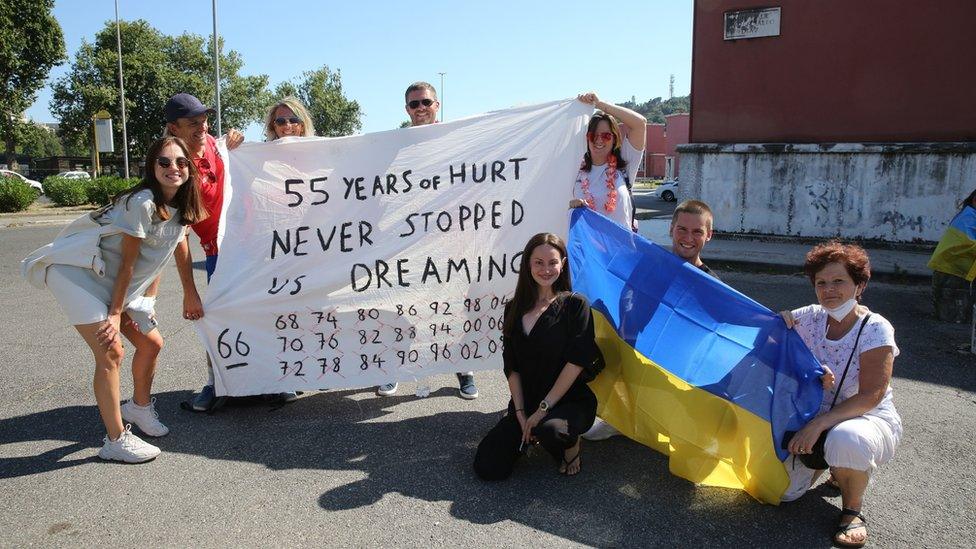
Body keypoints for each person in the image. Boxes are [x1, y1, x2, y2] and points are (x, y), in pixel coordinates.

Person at [21, 137, 208, 462]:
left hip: (115, 284)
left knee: (151, 344)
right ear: (152, 167)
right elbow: (129, 263)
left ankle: (138, 407)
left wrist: (153, 297)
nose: (173, 168)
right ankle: (115, 440)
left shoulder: (182, 204)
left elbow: (166, 252)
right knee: (111, 351)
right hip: (78, 276)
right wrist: (115, 313)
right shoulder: (143, 203)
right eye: (164, 162)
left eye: (180, 162)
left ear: (189, 169)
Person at [161, 93, 296, 409]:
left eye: (204, 119)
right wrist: (189, 292)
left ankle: (267, 380)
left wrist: (236, 141)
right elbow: (176, 235)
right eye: (192, 123)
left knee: (261, 315)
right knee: (220, 317)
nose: (202, 127)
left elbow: (239, 154)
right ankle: (216, 383)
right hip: (218, 253)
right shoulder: (172, 167)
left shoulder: (217, 144)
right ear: (173, 128)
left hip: (256, 245)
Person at [778, 241, 901, 548]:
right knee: (784, 493)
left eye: (839, 281)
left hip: (865, 418)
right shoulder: (809, 316)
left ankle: (852, 510)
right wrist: (777, 322)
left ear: (859, 285)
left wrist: (817, 426)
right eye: (821, 283)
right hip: (815, 414)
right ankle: (834, 465)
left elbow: (872, 394)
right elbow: (770, 345)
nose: (829, 290)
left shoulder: (876, 328)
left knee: (847, 440)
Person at [375, 81, 478, 400]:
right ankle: (393, 369)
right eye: (414, 104)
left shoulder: (456, 140)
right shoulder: (396, 146)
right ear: (406, 109)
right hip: (407, 244)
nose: (420, 109)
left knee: (454, 308)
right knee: (400, 307)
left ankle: (464, 369)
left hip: (450, 241)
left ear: (438, 105)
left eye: (426, 103)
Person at [583, 199, 719, 440]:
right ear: (671, 229)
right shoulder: (650, 261)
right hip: (640, 347)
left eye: (697, 231)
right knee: (606, 343)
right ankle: (617, 417)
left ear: (709, 235)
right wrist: (582, 214)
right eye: (682, 229)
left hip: (677, 362)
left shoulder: (713, 284)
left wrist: (781, 320)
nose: (688, 237)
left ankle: (667, 420)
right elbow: (621, 285)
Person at [473, 233, 602, 479]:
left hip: (569, 402)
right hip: (527, 402)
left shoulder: (576, 306)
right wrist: (521, 414)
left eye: (552, 262)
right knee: (488, 469)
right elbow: (511, 367)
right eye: (538, 262)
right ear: (528, 265)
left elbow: (576, 363)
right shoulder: (513, 308)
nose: (546, 269)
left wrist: (542, 410)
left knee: (552, 430)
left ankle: (570, 444)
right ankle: (530, 431)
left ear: (562, 263)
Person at [569, 92, 647, 232]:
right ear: (587, 138)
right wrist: (574, 207)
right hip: (589, 252)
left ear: (614, 139)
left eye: (606, 136)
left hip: (622, 251)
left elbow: (640, 124)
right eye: (593, 135)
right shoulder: (574, 170)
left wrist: (599, 104)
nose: (599, 140)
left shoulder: (625, 164)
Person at [928, 187, 976, 321]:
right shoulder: (969, 217)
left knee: (951, 305)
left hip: (952, 266)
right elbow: (969, 244)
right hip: (953, 267)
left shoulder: (967, 215)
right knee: (952, 311)